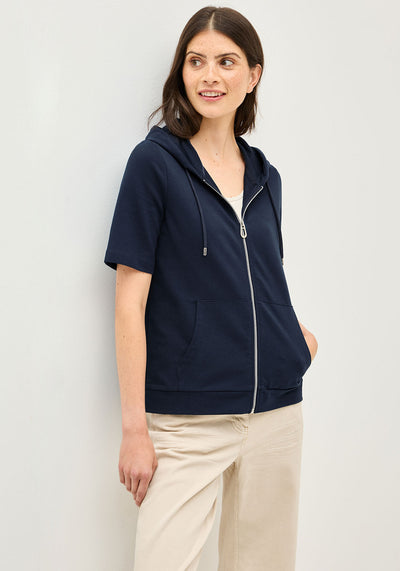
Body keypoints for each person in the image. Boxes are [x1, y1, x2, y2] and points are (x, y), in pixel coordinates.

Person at [104, 6, 318, 570]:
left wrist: (294, 341)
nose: (209, 76)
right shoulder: (154, 164)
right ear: (181, 72)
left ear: (253, 74)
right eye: (196, 61)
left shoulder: (266, 177)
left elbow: (260, 278)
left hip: (275, 414)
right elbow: (129, 302)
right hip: (187, 421)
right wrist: (134, 429)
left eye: (226, 62)